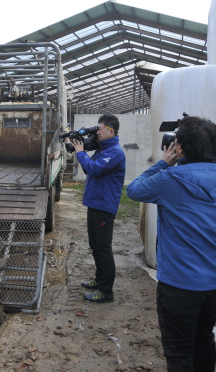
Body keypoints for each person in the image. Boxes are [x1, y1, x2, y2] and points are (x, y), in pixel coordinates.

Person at [126, 116, 216, 371]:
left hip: (179, 284)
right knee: (203, 341)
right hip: (214, 281)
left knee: (178, 352)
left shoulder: (170, 179)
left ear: (180, 148)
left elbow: (134, 191)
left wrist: (163, 163)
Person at [72, 113, 126, 303]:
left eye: (100, 129)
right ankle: (99, 279)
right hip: (95, 204)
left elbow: (95, 169)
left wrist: (80, 152)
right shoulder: (103, 149)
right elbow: (90, 169)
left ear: (110, 131)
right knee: (95, 246)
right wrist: (85, 149)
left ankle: (106, 291)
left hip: (104, 206)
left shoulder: (115, 153)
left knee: (104, 248)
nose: (97, 132)